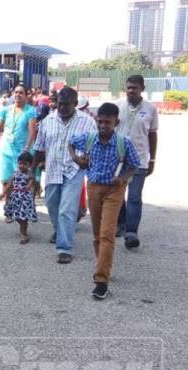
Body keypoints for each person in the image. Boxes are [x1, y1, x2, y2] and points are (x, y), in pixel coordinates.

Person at [69, 103, 140, 299]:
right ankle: (103, 264)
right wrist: (76, 158)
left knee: (107, 234)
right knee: (96, 235)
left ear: (116, 122)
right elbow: (71, 142)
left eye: (107, 122)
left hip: (114, 191)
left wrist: (123, 177)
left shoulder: (123, 143)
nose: (102, 126)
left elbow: (134, 165)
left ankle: (101, 280)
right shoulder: (89, 139)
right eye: (99, 121)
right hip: (93, 188)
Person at [33, 87, 97, 264]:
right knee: (52, 206)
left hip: (73, 172)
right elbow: (38, 147)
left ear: (75, 104)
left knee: (66, 210)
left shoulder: (87, 122)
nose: (61, 108)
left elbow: (94, 146)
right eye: (59, 104)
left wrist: (87, 159)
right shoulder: (48, 120)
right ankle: (59, 230)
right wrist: (33, 173)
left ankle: (65, 248)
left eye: (66, 105)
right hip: (52, 169)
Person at [115, 75, 159, 249]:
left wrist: (152, 159)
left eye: (134, 87)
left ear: (142, 88)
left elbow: (153, 134)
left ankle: (131, 232)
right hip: (118, 159)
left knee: (134, 197)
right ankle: (121, 223)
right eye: (128, 87)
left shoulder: (150, 109)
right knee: (117, 195)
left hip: (139, 160)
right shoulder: (117, 106)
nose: (131, 90)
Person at [0, 83, 37, 215]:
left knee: (22, 180)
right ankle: (8, 207)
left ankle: (23, 207)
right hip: (7, 149)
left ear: (26, 95)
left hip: (22, 152)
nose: (18, 95)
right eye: (16, 92)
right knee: (6, 178)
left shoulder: (30, 111)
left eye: (21, 93)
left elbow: (32, 131)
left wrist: (27, 147)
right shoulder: (5, 110)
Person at [0, 152, 38, 243]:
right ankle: (23, 228)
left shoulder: (30, 175)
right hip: (15, 198)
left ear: (30, 165)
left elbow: (31, 187)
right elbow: (9, 184)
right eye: (20, 163)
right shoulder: (15, 173)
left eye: (25, 164)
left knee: (23, 217)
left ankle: (24, 235)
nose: (22, 165)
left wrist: (30, 194)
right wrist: (3, 193)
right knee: (17, 216)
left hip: (25, 199)